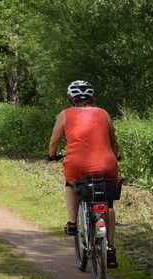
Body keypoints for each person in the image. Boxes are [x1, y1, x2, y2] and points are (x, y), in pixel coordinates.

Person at [47, 80, 121, 268]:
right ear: (92, 97)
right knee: (107, 204)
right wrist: (115, 155)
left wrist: (52, 156)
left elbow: (54, 142)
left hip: (77, 164)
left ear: (70, 99)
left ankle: (72, 223)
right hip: (106, 163)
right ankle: (110, 247)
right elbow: (113, 141)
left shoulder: (65, 114)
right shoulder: (103, 113)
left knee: (70, 183)